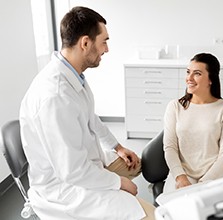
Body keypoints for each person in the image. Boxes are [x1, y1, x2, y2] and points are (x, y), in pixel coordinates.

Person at [19, 6, 155, 220]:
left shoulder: (74, 76)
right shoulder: (54, 97)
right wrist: (119, 183)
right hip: (65, 188)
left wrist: (117, 147)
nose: (107, 49)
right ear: (85, 43)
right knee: (152, 216)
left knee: (135, 165)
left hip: (85, 163)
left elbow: (91, 117)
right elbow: (72, 171)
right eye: (104, 41)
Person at [162, 53, 223, 193]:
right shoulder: (175, 107)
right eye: (188, 72)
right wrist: (180, 177)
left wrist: (203, 184)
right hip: (182, 175)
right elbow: (170, 147)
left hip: (217, 175)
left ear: (211, 79)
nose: (189, 78)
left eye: (197, 74)